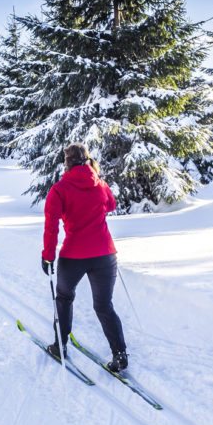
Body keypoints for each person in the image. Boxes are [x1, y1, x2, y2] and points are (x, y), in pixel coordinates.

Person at [41, 143, 128, 372]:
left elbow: (51, 226)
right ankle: (120, 354)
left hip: (74, 255)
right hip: (104, 255)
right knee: (103, 305)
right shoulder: (99, 183)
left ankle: (60, 346)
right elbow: (111, 204)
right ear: (87, 159)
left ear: (67, 162)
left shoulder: (60, 189)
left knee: (64, 298)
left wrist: (48, 257)